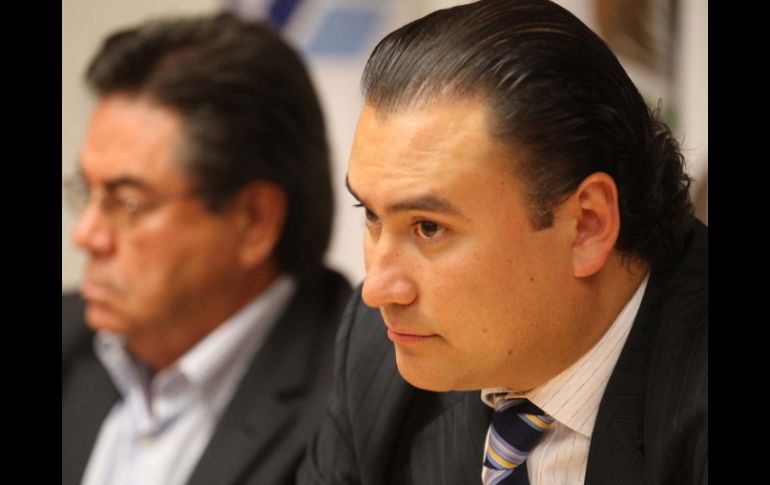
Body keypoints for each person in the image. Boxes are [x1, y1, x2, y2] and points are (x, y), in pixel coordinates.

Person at [298, 0, 707, 484]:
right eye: (370, 214)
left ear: (587, 225)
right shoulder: (379, 355)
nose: (377, 290)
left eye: (429, 227)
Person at [61, 12, 352, 485]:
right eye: (87, 194)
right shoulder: (70, 337)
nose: (87, 234)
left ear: (254, 220)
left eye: (127, 203)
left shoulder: (358, 403)